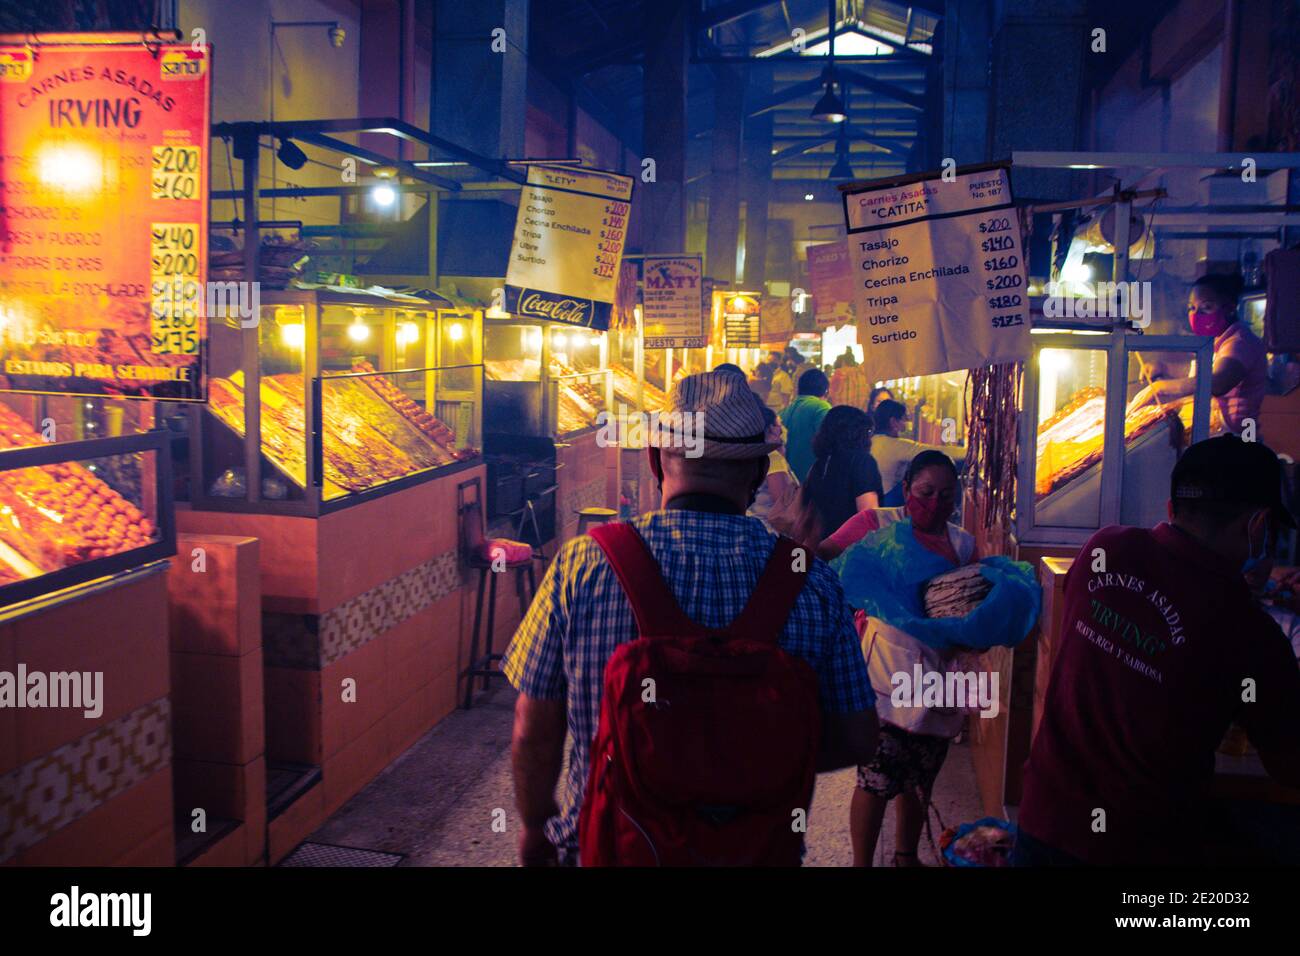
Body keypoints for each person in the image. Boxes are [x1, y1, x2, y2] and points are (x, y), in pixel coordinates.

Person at [503, 370, 880, 866]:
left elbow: (534, 727)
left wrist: (535, 828)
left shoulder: (584, 564)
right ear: (756, 473)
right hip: (756, 854)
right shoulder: (810, 582)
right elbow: (857, 736)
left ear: (658, 460)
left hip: (615, 850)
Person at [1015, 435, 1300, 866]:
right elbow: (1289, 763)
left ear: (1171, 509)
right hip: (1137, 846)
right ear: (1258, 525)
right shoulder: (1249, 632)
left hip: (1042, 820)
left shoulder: (1104, 549)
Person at [819, 451, 978, 866]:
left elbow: (978, 608)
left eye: (947, 495)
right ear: (907, 489)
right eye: (926, 492)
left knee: (920, 777)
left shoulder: (963, 544)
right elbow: (824, 555)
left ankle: (906, 857)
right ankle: (862, 864)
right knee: (876, 777)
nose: (935, 503)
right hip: (883, 676)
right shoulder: (877, 525)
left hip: (939, 678)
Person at [1127, 272, 1268, 437]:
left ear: (1229, 307)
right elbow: (1200, 373)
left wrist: (1159, 388)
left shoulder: (1239, 342)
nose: (1196, 315)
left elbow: (1216, 383)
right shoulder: (1217, 339)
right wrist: (1163, 367)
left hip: (1238, 436)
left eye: (1206, 307)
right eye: (1192, 308)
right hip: (1220, 432)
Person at [798, 406, 883, 546]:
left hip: (819, 548)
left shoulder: (820, 464)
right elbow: (867, 516)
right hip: (848, 551)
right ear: (857, 433)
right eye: (868, 432)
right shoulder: (862, 461)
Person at [871, 399, 966, 506]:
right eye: (903, 419)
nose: (906, 422)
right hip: (889, 501)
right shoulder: (893, 445)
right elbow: (931, 451)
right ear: (893, 422)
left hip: (877, 499)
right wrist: (968, 452)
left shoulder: (874, 441)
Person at [748, 405, 798, 529]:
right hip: (770, 532)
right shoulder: (773, 458)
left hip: (752, 525)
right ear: (771, 429)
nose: (783, 429)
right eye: (779, 424)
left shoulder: (752, 454)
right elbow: (785, 506)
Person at [780, 368, 831, 481]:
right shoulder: (821, 407)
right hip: (813, 477)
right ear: (826, 390)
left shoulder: (784, 411)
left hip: (789, 478)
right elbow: (829, 441)